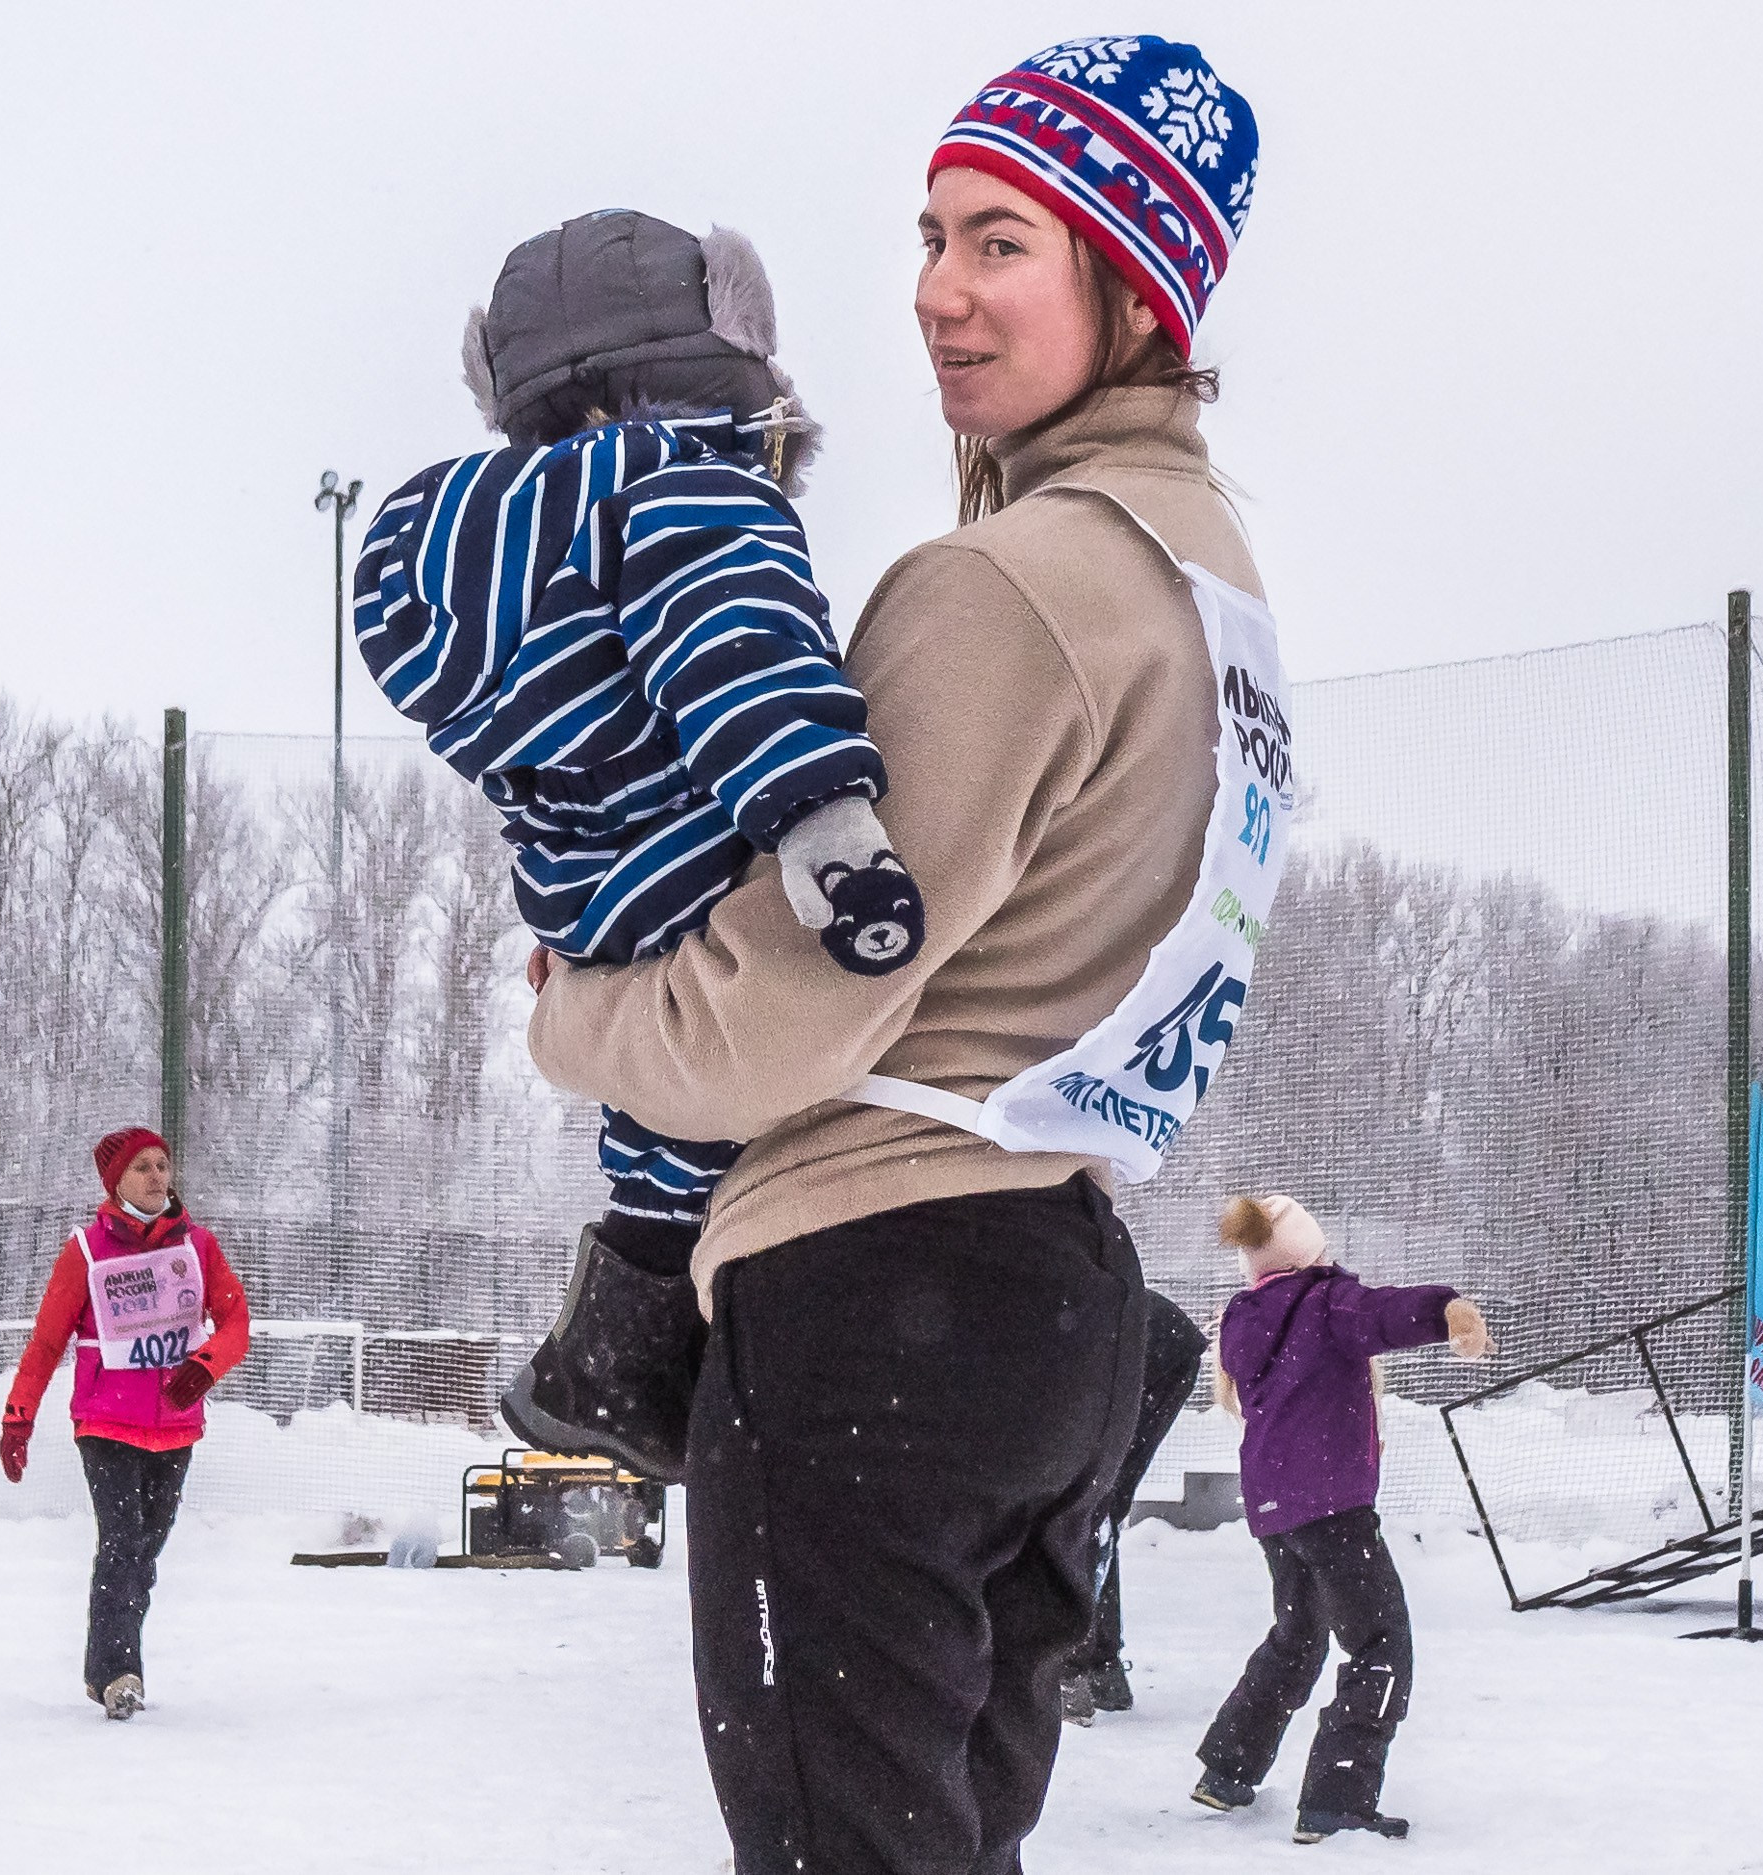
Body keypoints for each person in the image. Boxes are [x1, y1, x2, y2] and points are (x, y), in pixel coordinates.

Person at [528, 36, 1281, 1874]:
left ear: (1137, 279)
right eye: (931, 235)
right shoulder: (1210, 580)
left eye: (1004, 241)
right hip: (1055, 1301)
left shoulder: (1005, 583)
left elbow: (789, 1008)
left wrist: (581, 1021)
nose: (940, 292)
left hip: (876, 1296)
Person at [349, 209, 926, 1481]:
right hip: (709, 839)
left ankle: (610, 1358)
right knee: (739, 1101)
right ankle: (641, 1356)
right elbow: (744, 666)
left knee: (656, 1112)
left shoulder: (449, 557)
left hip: (575, 873)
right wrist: (829, 831)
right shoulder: (698, 495)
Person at [1191, 1194, 1491, 1844]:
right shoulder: (1325, 1302)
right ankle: (1337, 1800)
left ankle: (1227, 1767)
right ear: (1309, 1255)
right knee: (1381, 1644)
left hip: (1275, 1511)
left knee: (1298, 1634)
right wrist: (1447, 1311)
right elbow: (1381, 1313)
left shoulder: (1245, 1316)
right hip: (1331, 1505)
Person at [0, 1126, 250, 1721]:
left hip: (176, 1427)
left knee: (146, 1550)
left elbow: (236, 1321)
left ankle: (103, 1667)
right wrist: (18, 1419)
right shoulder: (86, 1252)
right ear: (117, 1182)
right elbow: (45, 1343)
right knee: (120, 1543)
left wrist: (204, 1368)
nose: (158, 1177)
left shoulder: (198, 1247)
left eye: (163, 1165)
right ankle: (118, 1672)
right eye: (143, 1167)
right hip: (106, 1423)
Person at [1060, 1288, 1209, 1723]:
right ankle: (1101, 1667)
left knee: (1086, 1508)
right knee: (1097, 1507)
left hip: (1149, 1353)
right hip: (1158, 1349)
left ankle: (1074, 1668)